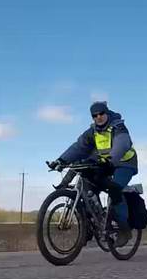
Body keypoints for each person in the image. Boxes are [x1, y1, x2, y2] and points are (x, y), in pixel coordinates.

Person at [50, 101, 138, 246]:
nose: (98, 117)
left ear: (107, 112)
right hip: (105, 163)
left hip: (124, 163)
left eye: (101, 114)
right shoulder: (92, 131)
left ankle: (124, 229)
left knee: (115, 188)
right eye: (94, 115)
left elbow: (122, 144)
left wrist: (110, 160)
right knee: (89, 187)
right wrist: (60, 160)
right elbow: (78, 147)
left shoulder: (118, 126)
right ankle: (93, 225)